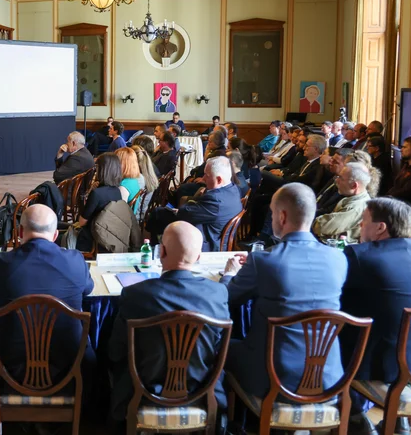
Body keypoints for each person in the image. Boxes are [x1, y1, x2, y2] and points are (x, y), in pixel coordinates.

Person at [222, 183, 347, 399]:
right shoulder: (339, 258)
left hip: (274, 377)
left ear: (282, 216)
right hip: (328, 377)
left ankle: (234, 423)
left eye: (271, 213)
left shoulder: (264, 260)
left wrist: (230, 275)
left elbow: (226, 299)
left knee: (219, 347)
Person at [108, 222, 229, 422]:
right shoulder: (218, 293)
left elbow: (115, 351)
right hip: (201, 389)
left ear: (161, 251)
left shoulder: (135, 294)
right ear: (198, 257)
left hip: (141, 391)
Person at [341, 198, 411, 435]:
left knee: (329, 334)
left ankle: (354, 417)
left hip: (387, 364)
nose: (359, 227)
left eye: (363, 222)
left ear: (380, 227)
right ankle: (397, 419)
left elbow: (336, 295)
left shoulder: (360, 255)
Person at [0, 205, 94, 386]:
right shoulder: (76, 261)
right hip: (69, 367)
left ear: (20, 231)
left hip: (8, 369)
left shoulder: (0, 264)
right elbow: (88, 289)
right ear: (54, 236)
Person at [147, 157, 242, 251]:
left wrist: (191, 203)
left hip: (206, 243)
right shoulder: (233, 189)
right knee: (161, 213)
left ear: (219, 180)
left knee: (158, 214)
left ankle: (156, 250)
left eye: (207, 175)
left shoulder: (215, 200)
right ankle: (160, 247)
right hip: (213, 233)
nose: (203, 178)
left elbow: (186, 213)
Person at [69, 153, 124, 253]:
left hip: (90, 239)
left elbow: (82, 222)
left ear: (102, 170)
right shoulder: (117, 191)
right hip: (107, 237)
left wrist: (90, 193)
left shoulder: (97, 194)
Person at [312, 163, 372, 242]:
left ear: (354, 185)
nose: (336, 180)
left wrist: (317, 221)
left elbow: (321, 227)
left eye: (340, 178)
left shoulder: (355, 207)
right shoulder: (351, 198)